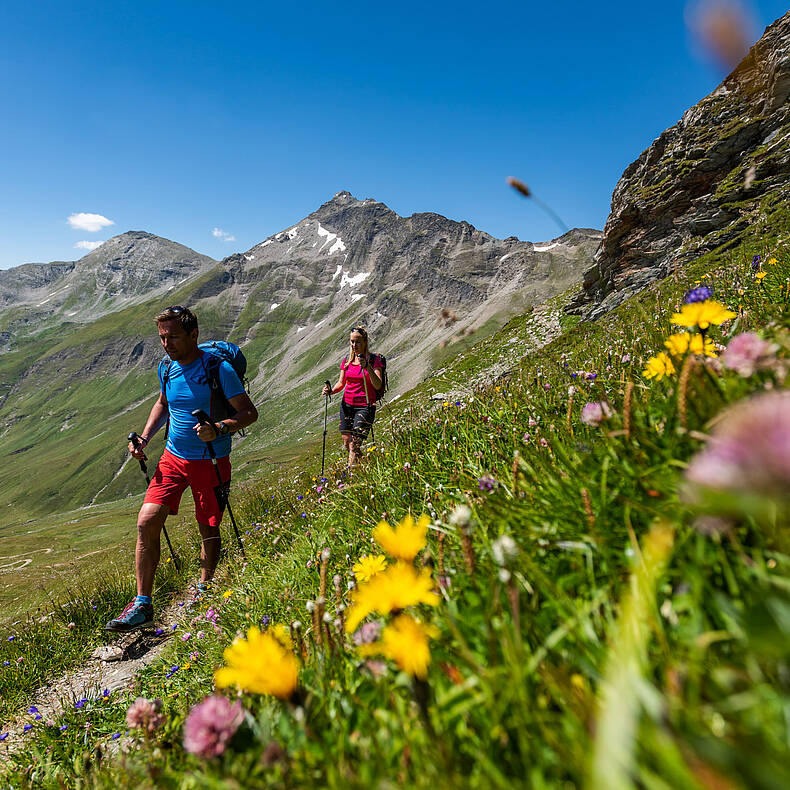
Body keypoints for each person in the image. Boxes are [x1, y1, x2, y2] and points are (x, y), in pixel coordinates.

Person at [106, 306, 258, 632]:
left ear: (193, 335)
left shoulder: (218, 370)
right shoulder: (166, 367)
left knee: (209, 526)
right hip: (173, 458)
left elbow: (248, 413)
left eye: (173, 336)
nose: (166, 344)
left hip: (211, 459)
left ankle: (205, 586)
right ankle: (142, 604)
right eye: (162, 337)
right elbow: (163, 402)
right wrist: (145, 437)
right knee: (147, 521)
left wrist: (218, 428)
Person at [322, 325, 383, 467]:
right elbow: (341, 383)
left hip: (365, 406)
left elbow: (378, 385)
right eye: (352, 341)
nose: (354, 345)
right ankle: (368, 464)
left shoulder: (374, 361)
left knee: (355, 444)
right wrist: (330, 391)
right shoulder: (347, 360)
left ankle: (351, 477)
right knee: (346, 441)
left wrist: (367, 366)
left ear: (365, 342)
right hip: (347, 405)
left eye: (358, 342)